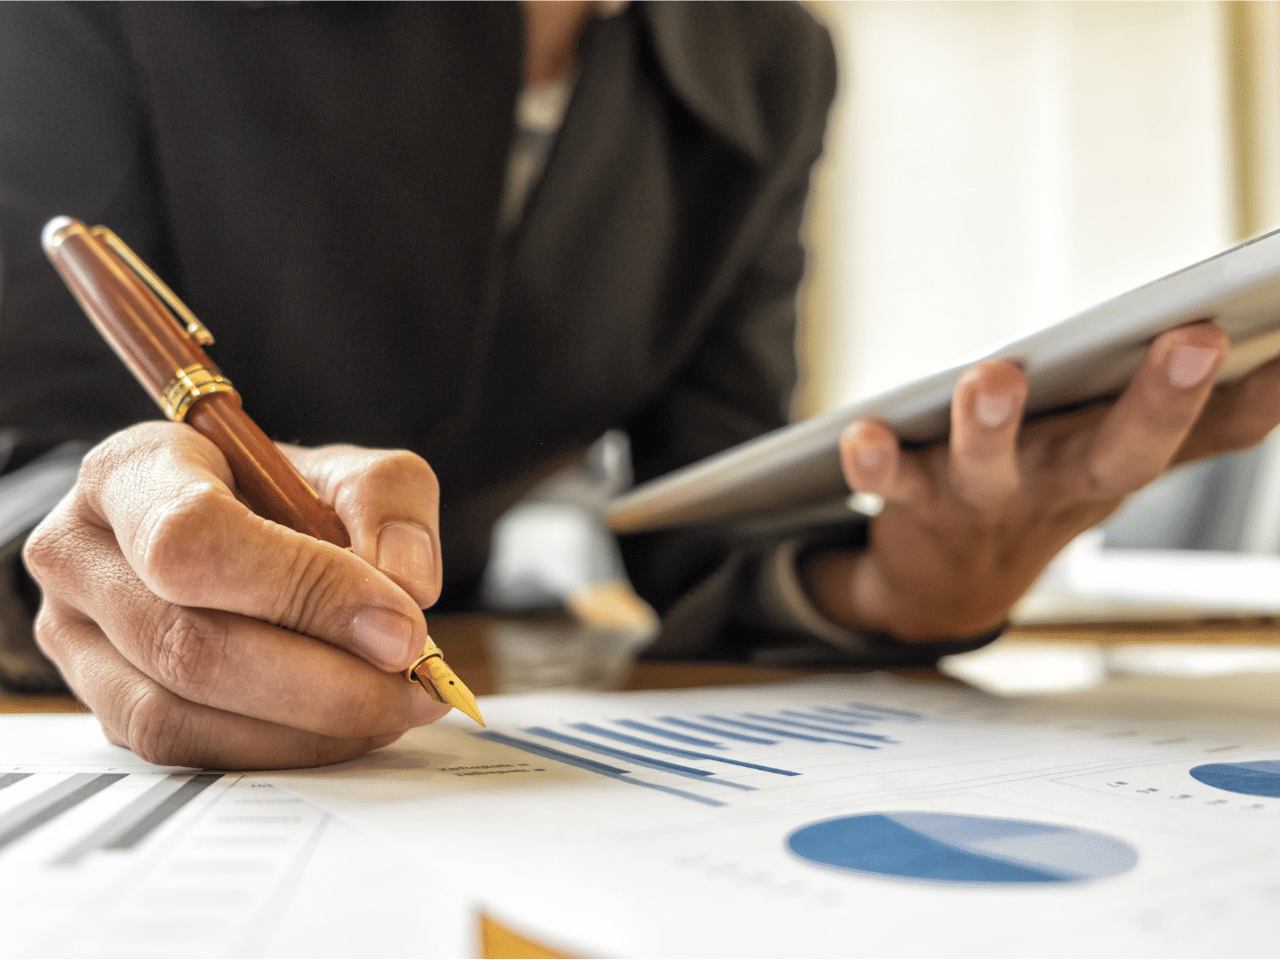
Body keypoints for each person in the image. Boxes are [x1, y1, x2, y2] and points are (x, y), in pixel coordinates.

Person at [1, 1, 1277, 770]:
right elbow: (30, 443)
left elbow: (704, 505)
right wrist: (108, 531)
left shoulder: (769, 59)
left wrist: (903, 585)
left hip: (443, 642)